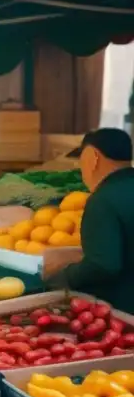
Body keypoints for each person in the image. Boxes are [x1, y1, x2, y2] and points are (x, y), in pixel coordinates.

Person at [44, 129, 134, 312]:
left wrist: (63, 278)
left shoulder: (103, 200)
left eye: (81, 159)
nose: (80, 166)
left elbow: (103, 265)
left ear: (93, 157)